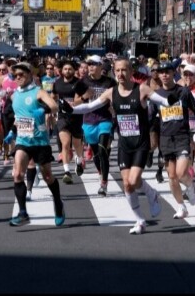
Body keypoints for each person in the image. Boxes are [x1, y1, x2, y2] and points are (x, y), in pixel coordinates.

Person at [67, 58, 164, 233]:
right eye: (117, 70)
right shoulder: (111, 92)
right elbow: (89, 107)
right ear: (114, 72)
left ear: (131, 71)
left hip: (140, 143)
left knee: (133, 180)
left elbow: (162, 100)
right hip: (124, 144)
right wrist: (71, 109)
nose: (120, 74)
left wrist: (174, 98)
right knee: (127, 184)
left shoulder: (141, 89)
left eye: (124, 70)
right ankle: (140, 220)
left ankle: (151, 194)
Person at [8, 62, 65, 227]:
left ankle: (58, 203)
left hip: (40, 141)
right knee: (17, 174)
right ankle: (23, 213)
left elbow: (54, 106)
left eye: (21, 74)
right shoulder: (14, 96)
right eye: (15, 75)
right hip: (23, 140)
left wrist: (43, 110)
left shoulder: (38, 92)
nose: (18, 77)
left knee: (47, 176)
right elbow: (19, 117)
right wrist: (12, 131)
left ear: (30, 74)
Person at [154, 61, 195, 219]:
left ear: (173, 73)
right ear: (158, 75)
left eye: (167, 72)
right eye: (161, 72)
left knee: (181, 173)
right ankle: (181, 206)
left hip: (182, 137)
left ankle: (190, 187)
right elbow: (151, 118)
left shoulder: (183, 91)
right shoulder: (156, 95)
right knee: (172, 176)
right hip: (166, 139)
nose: (164, 75)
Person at [74, 55, 117, 196]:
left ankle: (104, 183)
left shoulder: (110, 82)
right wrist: (85, 97)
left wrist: (113, 106)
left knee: (103, 150)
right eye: (89, 64)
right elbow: (75, 102)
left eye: (93, 64)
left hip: (105, 119)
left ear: (100, 66)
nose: (90, 67)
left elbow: (116, 98)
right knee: (96, 154)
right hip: (88, 121)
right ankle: (100, 172)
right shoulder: (83, 82)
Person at [52, 59, 85, 184]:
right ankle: (67, 171)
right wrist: (52, 108)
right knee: (65, 143)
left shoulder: (79, 83)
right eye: (65, 69)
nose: (67, 71)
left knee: (77, 144)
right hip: (62, 117)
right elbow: (53, 96)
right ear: (62, 70)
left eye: (70, 69)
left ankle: (79, 161)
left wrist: (74, 103)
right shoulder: (57, 83)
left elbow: (81, 99)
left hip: (76, 116)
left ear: (74, 70)